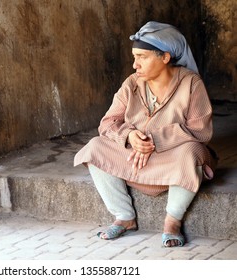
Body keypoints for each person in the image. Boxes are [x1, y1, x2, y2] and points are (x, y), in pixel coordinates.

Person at [73, 21, 218, 247]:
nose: (135, 65)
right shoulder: (131, 83)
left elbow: (200, 130)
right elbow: (108, 123)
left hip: (170, 158)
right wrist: (130, 136)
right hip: (135, 156)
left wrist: (155, 140)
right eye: (134, 56)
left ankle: (172, 222)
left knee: (191, 153)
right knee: (95, 147)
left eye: (142, 56)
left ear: (165, 57)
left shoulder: (191, 83)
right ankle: (124, 216)